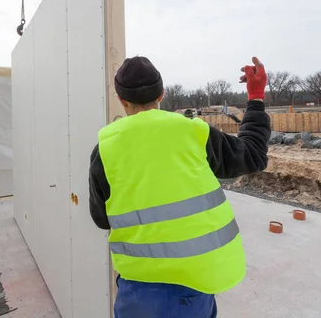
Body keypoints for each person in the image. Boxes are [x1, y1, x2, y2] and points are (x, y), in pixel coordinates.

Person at [88, 56, 271, 318]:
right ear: (161, 94)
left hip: (139, 288)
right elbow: (253, 155)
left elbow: (101, 219)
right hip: (196, 284)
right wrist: (255, 96)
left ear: (122, 100)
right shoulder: (194, 133)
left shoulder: (104, 150)